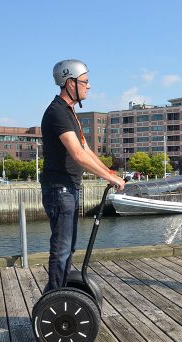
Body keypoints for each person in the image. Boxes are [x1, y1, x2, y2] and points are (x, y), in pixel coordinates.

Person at [40, 59, 125, 292]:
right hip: (59, 188)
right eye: (85, 82)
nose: (89, 86)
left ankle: (60, 293)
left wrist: (109, 172)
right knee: (62, 247)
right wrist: (109, 178)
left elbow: (86, 150)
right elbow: (77, 154)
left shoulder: (69, 113)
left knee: (69, 247)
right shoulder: (57, 112)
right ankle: (55, 298)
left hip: (69, 187)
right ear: (70, 83)